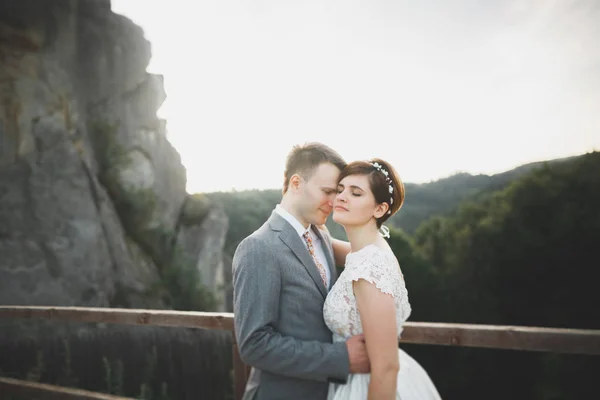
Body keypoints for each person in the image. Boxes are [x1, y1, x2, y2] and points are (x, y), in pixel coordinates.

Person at [232, 142, 371, 400]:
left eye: (338, 192)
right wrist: (341, 358)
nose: (335, 201)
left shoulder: (321, 235)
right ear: (296, 183)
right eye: (328, 191)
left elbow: (365, 256)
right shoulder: (258, 248)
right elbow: (254, 345)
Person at [324, 158, 442, 400]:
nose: (342, 197)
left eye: (355, 193)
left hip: (372, 384)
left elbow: (386, 368)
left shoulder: (370, 268)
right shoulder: (368, 251)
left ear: (379, 209)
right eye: (340, 189)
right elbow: (330, 246)